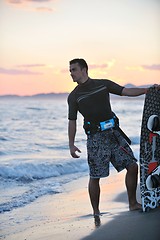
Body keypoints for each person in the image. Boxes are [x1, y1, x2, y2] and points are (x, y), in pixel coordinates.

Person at [67, 58, 158, 216]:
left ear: (83, 69)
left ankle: (132, 203)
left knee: (132, 166)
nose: (71, 73)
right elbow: (72, 122)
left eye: (73, 69)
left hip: (114, 135)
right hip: (95, 139)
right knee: (95, 176)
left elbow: (125, 91)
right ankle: (96, 211)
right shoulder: (74, 96)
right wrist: (71, 144)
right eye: (70, 70)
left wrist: (146, 91)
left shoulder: (103, 84)